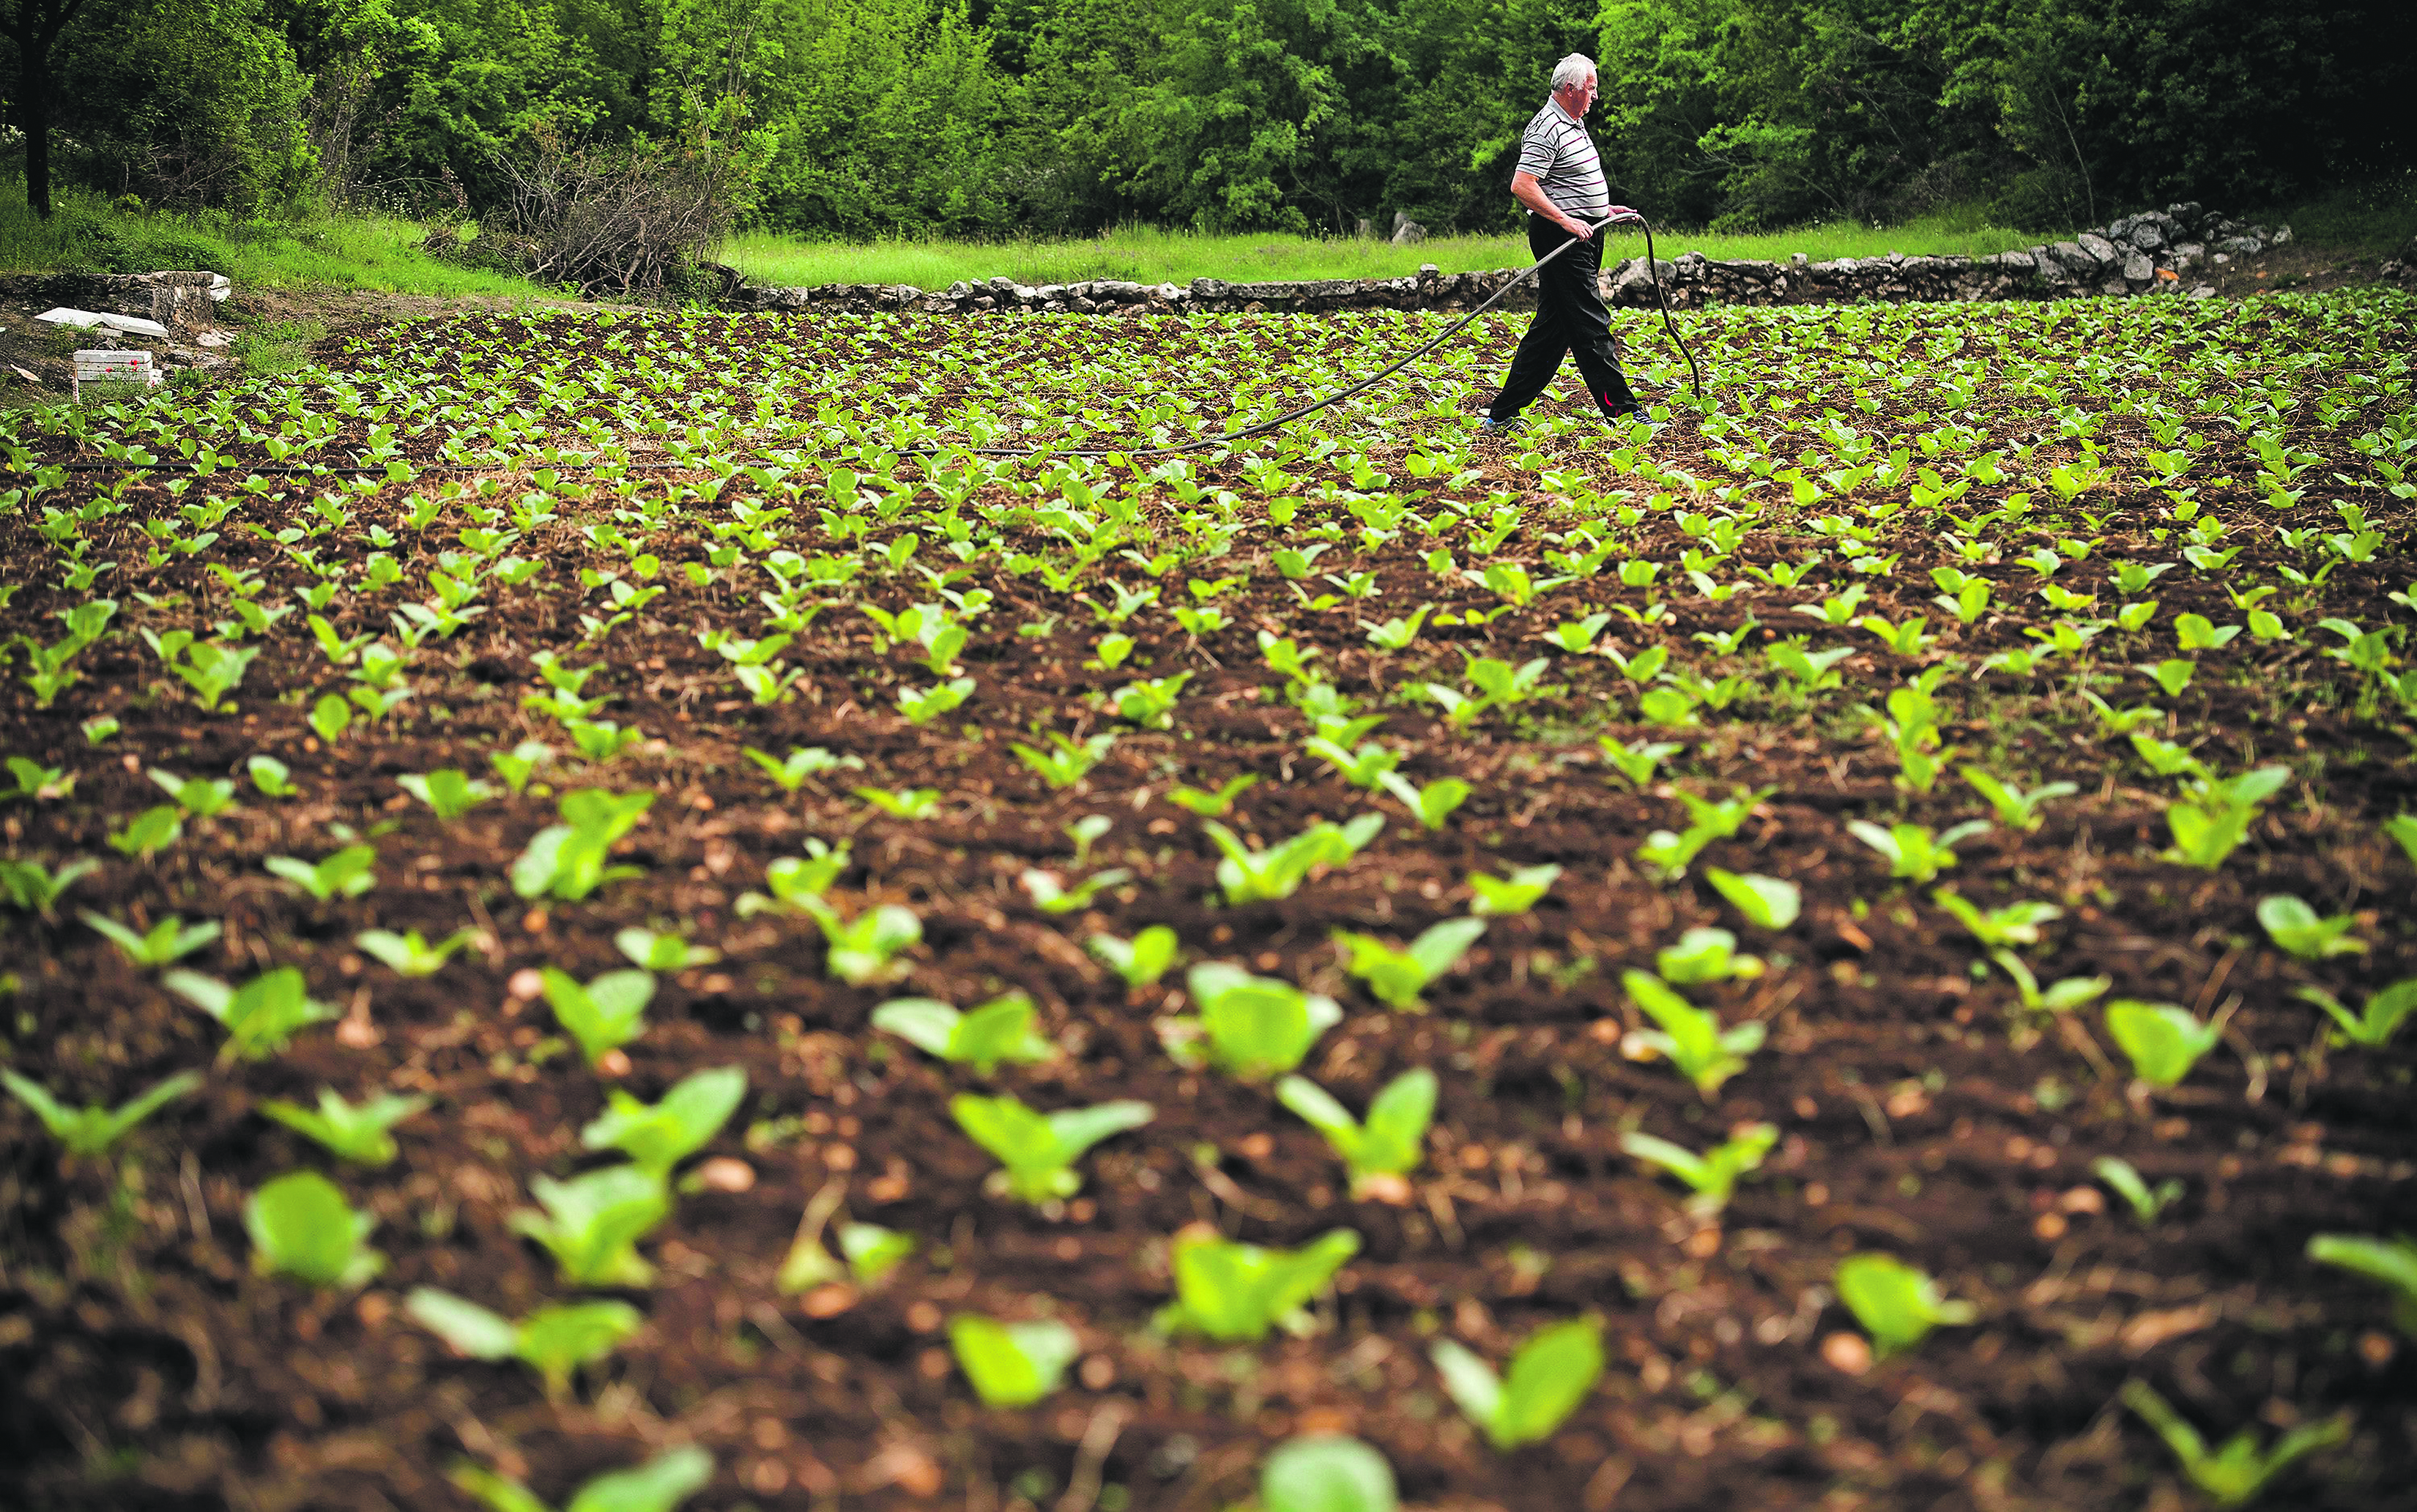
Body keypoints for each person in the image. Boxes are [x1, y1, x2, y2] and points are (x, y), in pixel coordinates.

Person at [1479, 53, 1644, 436]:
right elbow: (1523, 185)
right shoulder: (1546, 126)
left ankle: (1502, 413)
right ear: (1570, 89)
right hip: (1562, 240)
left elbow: (1569, 183)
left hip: (1587, 232)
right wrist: (1564, 220)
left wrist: (1604, 209)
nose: (1595, 96)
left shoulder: (1575, 123)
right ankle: (1624, 412)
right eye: (1591, 88)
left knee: (1552, 331)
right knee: (1590, 322)